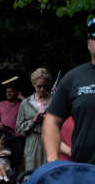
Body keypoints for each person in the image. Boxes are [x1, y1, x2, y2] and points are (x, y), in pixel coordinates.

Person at [43, 17, 95, 165]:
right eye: (94, 35)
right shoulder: (73, 78)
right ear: (88, 43)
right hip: (84, 171)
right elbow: (51, 120)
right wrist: (53, 161)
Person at [16, 68, 52, 172]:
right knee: (31, 173)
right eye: (39, 86)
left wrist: (49, 120)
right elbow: (18, 128)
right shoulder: (26, 103)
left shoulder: (55, 101)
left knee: (49, 172)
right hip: (32, 140)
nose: (42, 89)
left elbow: (63, 124)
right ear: (33, 84)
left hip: (50, 140)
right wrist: (33, 121)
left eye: (45, 86)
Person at [0, 85, 24, 171]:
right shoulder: (1, 104)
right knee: (3, 158)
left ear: (16, 93)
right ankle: (5, 180)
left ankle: (15, 179)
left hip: (17, 137)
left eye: (11, 92)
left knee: (16, 159)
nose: (8, 94)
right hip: (4, 136)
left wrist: (21, 97)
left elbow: (31, 107)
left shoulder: (21, 104)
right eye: (7, 92)